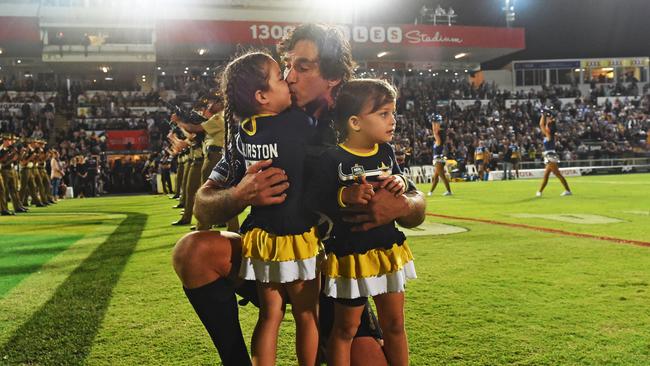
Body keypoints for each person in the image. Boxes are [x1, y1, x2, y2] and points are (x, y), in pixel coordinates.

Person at [172, 23, 425, 366]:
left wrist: (399, 205)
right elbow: (204, 203)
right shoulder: (265, 123)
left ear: (333, 76)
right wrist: (240, 194)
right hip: (270, 255)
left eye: (302, 67)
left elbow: (416, 201)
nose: (289, 76)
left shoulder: (357, 117)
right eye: (287, 66)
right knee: (193, 251)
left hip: (338, 272)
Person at [218, 51, 322, 366]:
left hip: (261, 237)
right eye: (280, 78)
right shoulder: (294, 123)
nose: (288, 82)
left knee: (269, 314)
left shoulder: (244, 130)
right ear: (262, 96)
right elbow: (318, 127)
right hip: (297, 233)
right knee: (306, 313)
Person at [309, 79, 415, 366]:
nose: (392, 120)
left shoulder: (386, 152)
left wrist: (400, 180)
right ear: (355, 122)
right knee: (345, 330)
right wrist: (345, 194)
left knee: (395, 324)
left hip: (387, 249)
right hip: (350, 254)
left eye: (393, 113)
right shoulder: (333, 158)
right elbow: (316, 200)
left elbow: (403, 179)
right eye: (383, 114)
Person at [536, 111, 572, 197]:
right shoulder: (549, 134)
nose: (546, 125)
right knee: (546, 175)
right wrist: (545, 116)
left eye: (547, 125)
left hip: (550, 156)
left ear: (549, 128)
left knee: (557, 174)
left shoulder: (549, 135)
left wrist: (544, 116)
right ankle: (540, 191)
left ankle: (568, 190)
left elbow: (541, 125)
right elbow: (543, 124)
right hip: (549, 155)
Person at [427, 114, 452, 196]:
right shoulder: (439, 140)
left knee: (441, 176)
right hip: (439, 160)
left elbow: (435, 132)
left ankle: (449, 191)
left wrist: (434, 123)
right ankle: (430, 192)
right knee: (436, 177)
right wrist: (435, 122)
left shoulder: (439, 140)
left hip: (438, 160)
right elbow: (435, 132)